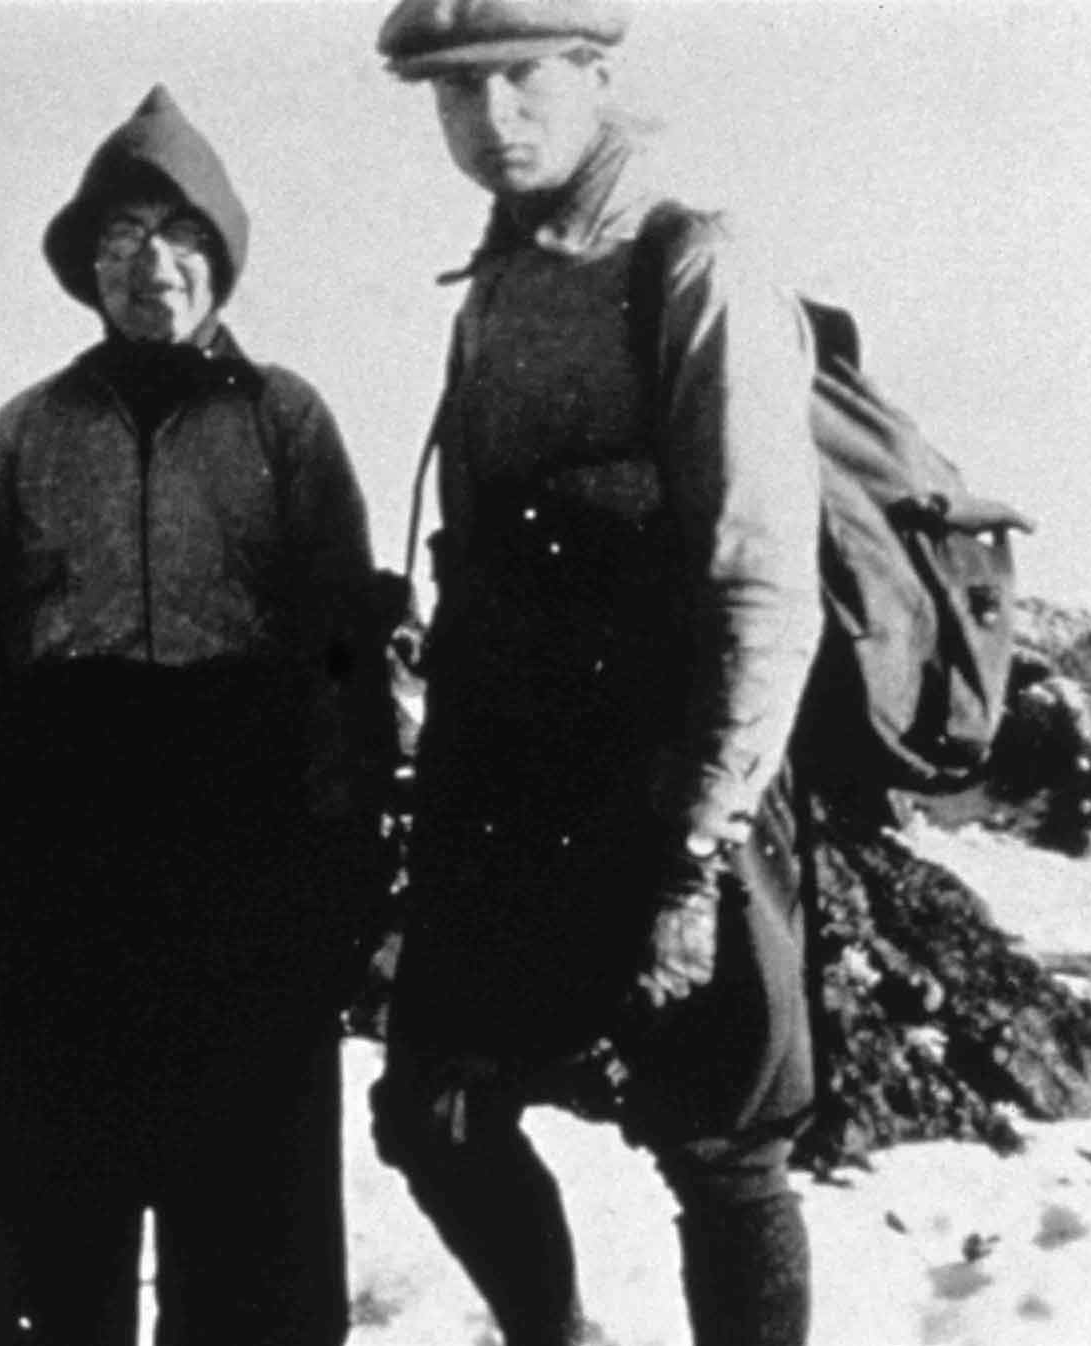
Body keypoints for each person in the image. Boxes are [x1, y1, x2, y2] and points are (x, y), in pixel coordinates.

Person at [368, 3, 826, 1344]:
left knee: (721, 1146)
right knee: (433, 1108)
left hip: (670, 771)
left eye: (518, 78)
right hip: (507, 773)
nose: (489, 117)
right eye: (454, 94)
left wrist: (695, 846)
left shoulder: (689, 265)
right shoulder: (501, 275)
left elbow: (760, 579)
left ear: (594, 76)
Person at [0, 84, 394, 1346]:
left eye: (180, 235)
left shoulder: (282, 419)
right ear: (86, 267)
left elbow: (343, 656)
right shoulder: (30, 431)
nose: (153, 265)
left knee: (250, 1247)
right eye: (122, 238)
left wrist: (342, 873)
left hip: (241, 858)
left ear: (220, 256)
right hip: (64, 862)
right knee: (55, 1243)